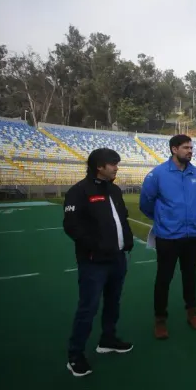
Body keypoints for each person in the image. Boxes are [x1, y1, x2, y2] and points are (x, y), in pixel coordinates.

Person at [63, 148, 135, 377]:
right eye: (113, 163)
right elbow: (71, 226)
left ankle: (108, 339)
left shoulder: (113, 190)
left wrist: (128, 240)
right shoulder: (79, 191)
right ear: (99, 167)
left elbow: (121, 218)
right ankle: (75, 355)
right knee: (88, 308)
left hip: (117, 258)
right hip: (94, 262)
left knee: (113, 303)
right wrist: (96, 246)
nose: (116, 167)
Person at [139, 134, 196, 339]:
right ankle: (160, 319)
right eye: (186, 148)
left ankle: (192, 312)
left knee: (190, 276)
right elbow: (145, 203)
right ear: (174, 149)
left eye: (191, 148)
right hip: (167, 236)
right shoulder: (158, 174)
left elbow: (195, 201)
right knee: (164, 278)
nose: (190, 151)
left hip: (192, 235)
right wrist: (163, 220)